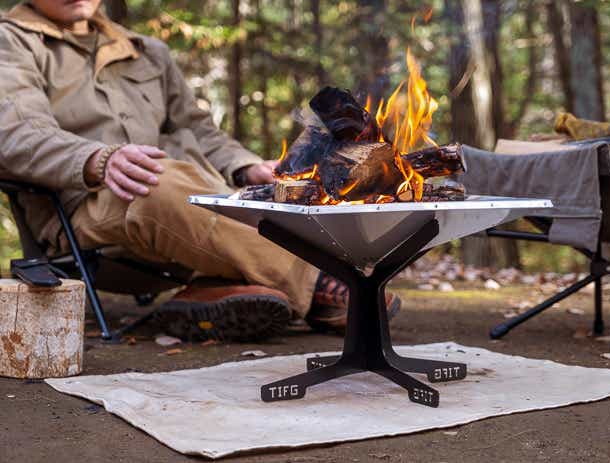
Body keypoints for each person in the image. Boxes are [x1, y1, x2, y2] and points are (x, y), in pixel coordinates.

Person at [0, 0, 400, 341]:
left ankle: (211, 293)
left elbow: (198, 130)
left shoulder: (146, 51)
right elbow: (16, 134)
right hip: (85, 212)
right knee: (157, 181)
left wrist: (244, 167)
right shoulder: (12, 43)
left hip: (187, 199)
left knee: (269, 185)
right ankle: (331, 282)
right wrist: (96, 160)